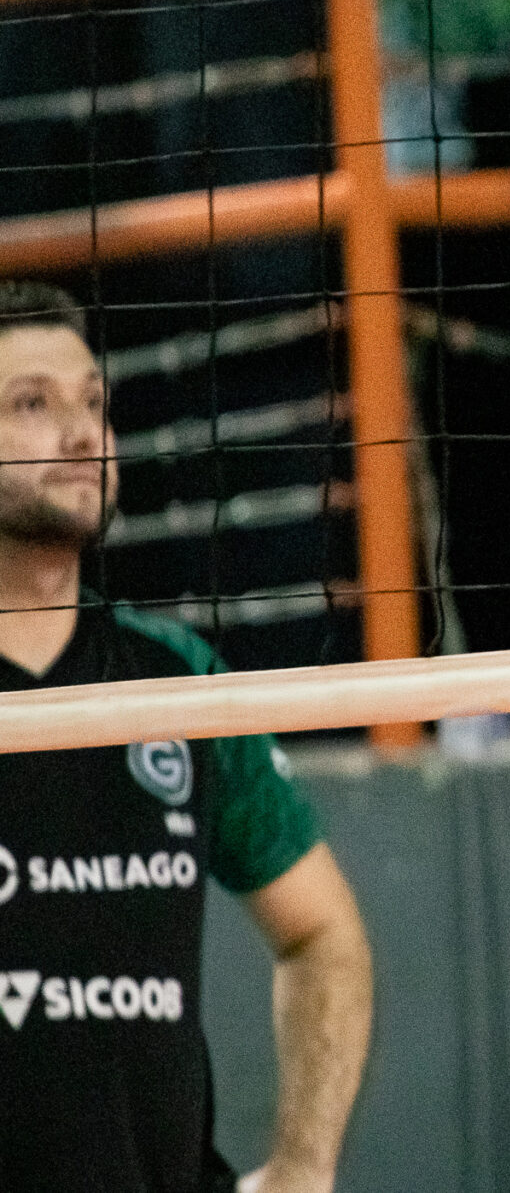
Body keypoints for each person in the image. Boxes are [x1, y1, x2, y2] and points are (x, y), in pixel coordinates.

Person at [0, 281, 372, 1193]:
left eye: (94, 401)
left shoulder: (180, 680)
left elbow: (325, 935)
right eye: (31, 403)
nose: (85, 432)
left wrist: (304, 1169)